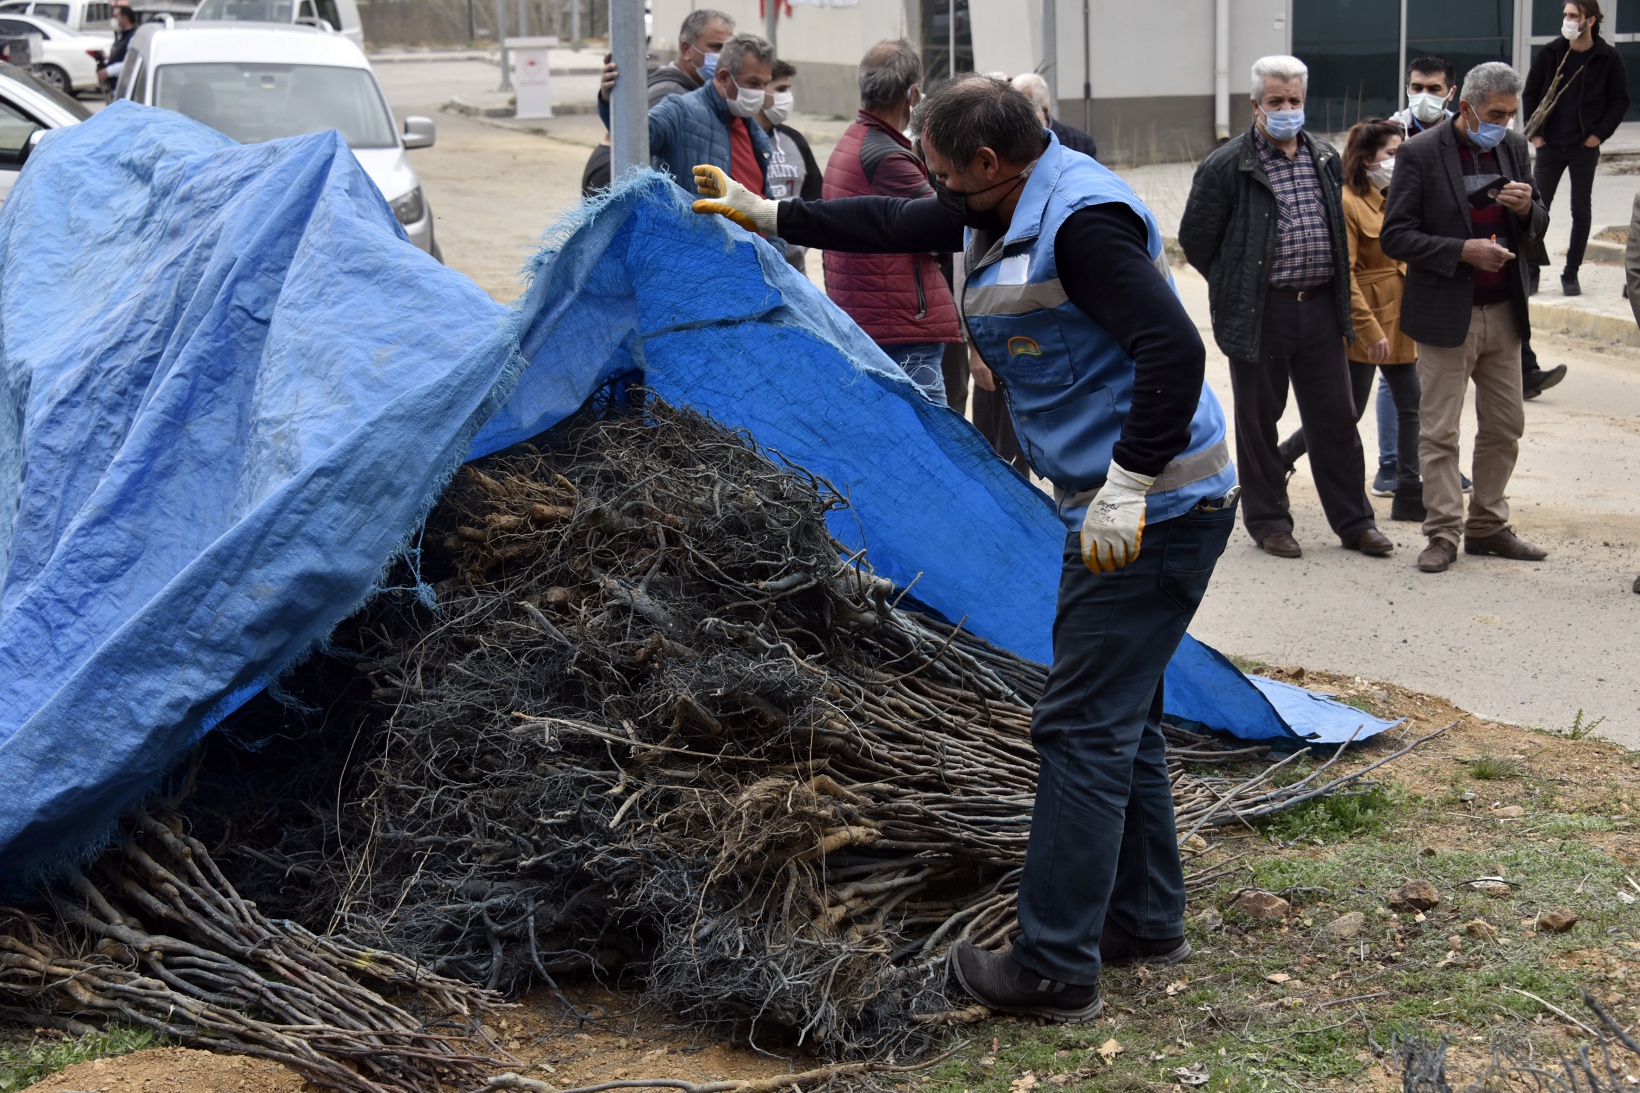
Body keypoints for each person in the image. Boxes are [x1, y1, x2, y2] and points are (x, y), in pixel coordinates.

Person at [689, 74, 1238, 1023]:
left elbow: (1175, 351)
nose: (935, 192)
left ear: (992, 161)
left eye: (946, 175)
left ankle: (1054, 967)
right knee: (1121, 713)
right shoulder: (1005, 198)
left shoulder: (1081, 226)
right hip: (1128, 500)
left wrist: (1129, 484)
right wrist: (767, 212)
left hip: (1153, 510)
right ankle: (1144, 918)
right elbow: (896, 222)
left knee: (1077, 726)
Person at [1179, 55, 1391, 560]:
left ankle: (1356, 522)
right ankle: (1270, 522)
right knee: (1259, 420)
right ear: (1256, 105)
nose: (1287, 110)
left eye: (1294, 100)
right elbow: (1197, 239)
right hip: (1262, 311)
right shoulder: (1227, 165)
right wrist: (1238, 286)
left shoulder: (1323, 156)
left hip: (1319, 306)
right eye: (1276, 102)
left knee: (1336, 418)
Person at [1380, 62, 1550, 575]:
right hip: (1446, 314)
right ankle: (1442, 533)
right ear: (1467, 106)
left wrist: (1525, 212)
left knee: (1505, 425)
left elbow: (1538, 225)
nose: (1505, 122)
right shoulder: (1419, 154)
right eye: (1496, 113)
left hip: (1504, 311)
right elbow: (1396, 236)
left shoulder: (1514, 149)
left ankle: (1487, 526)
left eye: (1511, 114)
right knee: (1440, 431)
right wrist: (1461, 251)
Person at [1276, 118, 1424, 524]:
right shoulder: (1346, 202)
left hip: (1401, 315)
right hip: (1365, 319)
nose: (1399, 162)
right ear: (1366, 159)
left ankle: (1410, 490)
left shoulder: (1397, 195)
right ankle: (1280, 459)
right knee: (1346, 412)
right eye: (1392, 154)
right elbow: (1348, 273)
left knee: (1412, 403)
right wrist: (1367, 327)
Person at [818, 39, 961, 402]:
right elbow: (944, 228)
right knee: (934, 442)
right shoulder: (888, 157)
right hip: (900, 326)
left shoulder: (856, 141)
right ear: (912, 93)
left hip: (875, 316)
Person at [1524, 0, 1629, 299]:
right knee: (1535, 210)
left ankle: (1571, 273)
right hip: (1549, 146)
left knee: (1581, 211)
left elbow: (1620, 100)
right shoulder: (1551, 53)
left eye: (1573, 15)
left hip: (1584, 147)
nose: (1567, 20)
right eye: (1565, 15)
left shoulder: (1608, 57)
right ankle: (1532, 271)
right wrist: (1536, 135)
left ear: (1590, 20)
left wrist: (1598, 136)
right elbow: (1531, 94)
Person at [582, 9, 736, 197]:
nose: (723, 57)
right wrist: (609, 101)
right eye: (716, 47)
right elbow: (640, 141)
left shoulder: (703, 93)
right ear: (687, 50)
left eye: (727, 49)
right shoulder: (670, 92)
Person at [597, 34, 775, 196]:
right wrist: (612, 99)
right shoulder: (681, 110)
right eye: (753, 83)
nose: (760, 92)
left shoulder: (753, 131)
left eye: (764, 84)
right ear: (723, 77)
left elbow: (764, 197)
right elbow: (636, 136)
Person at [757, 60, 821, 271]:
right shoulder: (737, 140)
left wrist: (799, 247)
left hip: (795, 271)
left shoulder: (794, 140)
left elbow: (816, 200)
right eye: (780, 89)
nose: (787, 97)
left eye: (788, 89)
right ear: (758, 90)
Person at [1011, 72, 1098, 161]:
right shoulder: (1004, 142)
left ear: (1045, 110)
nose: (1017, 119)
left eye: (1025, 113)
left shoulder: (1080, 143)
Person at [97, 2, 136, 89]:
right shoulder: (120, 36)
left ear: (125, 18)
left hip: (125, 87)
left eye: (115, 16)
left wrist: (109, 71)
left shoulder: (133, 37)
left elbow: (130, 64)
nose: (113, 20)